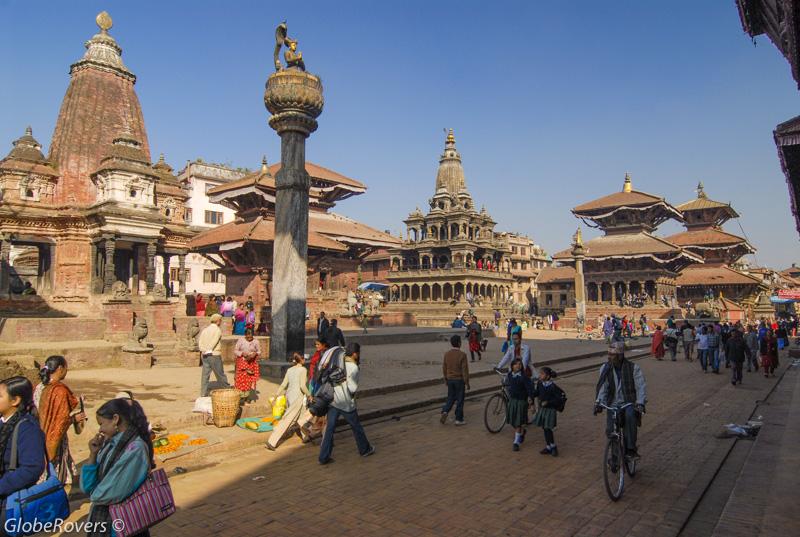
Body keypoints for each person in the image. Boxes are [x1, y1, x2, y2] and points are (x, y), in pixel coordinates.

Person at [82, 398, 154, 537]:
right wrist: (93, 454)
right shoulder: (109, 445)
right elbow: (88, 487)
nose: (100, 429)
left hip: (124, 525)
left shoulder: (135, 449)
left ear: (115, 419)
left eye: (101, 424)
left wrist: (94, 494)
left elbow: (104, 493)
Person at [318, 343, 375, 465]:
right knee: (356, 427)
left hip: (334, 401)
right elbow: (352, 388)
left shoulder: (339, 363)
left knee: (329, 429)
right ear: (355, 354)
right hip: (346, 403)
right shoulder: (353, 367)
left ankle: (323, 456)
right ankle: (365, 449)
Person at [37, 355, 85, 484]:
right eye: (66, 368)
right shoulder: (60, 391)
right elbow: (61, 419)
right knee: (56, 472)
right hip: (55, 439)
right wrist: (73, 419)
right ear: (60, 368)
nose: (67, 371)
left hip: (39, 435)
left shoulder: (39, 387)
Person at [594, 342, 647, 458]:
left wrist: (640, 402)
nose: (610, 357)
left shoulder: (633, 368)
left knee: (629, 417)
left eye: (613, 355)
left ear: (620, 355)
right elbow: (603, 387)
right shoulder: (605, 368)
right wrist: (599, 402)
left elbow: (640, 387)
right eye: (609, 354)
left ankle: (630, 448)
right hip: (612, 403)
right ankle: (614, 455)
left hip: (628, 402)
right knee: (610, 430)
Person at [0, 376, 46, 507]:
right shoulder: (3, 421)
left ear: (15, 400)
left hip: (9, 502)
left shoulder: (27, 429)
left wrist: (2, 486)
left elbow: (32, 468)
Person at [266, 353, 310, 450]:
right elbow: (302, 386)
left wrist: (276, 394)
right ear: (301, 360)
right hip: (298, 396)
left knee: (302, 416)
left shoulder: (290, 370)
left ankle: (306, 436)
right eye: (304, 359)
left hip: (290, 395)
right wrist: (309, 394)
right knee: (288, 419)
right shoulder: (303, 370)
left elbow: (283, 384)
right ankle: (272, 441)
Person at [532, 366, 565, 456]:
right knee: (544, 427)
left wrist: (548, 402)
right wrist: (531, 394)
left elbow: (559, 398)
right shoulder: (540, 383)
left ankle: (553, 447)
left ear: (548, 376)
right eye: (540, 374)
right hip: (543, 410)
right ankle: (548, 446)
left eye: (542, 374)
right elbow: (537, 392)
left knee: (548, 428)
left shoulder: (553, 387)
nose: (540, 375)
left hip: (550, 410)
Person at [505, 358, 535, 451]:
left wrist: (531, 402)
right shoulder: (510, 375)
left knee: (518, 422)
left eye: (519, 364)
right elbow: (508, 384)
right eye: (516, 364)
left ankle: (516, 442)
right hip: (513, 401)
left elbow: (530, 390)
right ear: (512, 366)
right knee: (513, 421)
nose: (518, 366)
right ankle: (522, 432)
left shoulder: (524, 377)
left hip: (522, 401)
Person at [198, 314, 230, 397]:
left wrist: (203, 350)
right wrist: (208, 350)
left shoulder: (205, 330)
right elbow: (214, 342)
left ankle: (203, 393)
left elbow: (200, 341)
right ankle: (227, 390)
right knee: (220, 374)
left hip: (204, 355)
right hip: (214, 354)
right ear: (218, 321)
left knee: (205, 375)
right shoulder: (217, 330)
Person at [440, 335, 469, 426]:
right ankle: (459, 419)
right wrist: (467, 382)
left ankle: (445, 410)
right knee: (460, 399)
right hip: (459, 380)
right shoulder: (462, 355)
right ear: (459, 343)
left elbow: (444, 368)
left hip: (450, 379)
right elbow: (465, 370)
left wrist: (445, 379)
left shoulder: (447, 354)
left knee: (450, 397)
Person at [234, 328, 260, 401]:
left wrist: (255, 354)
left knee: (248, 379)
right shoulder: (240, 341)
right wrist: (242, 353)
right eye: (247, 337)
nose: (249, 339)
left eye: (251, 337)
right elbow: (235, 351)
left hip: (251, 363)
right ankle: (241, 396)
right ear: (245, 335)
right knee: (241, 379)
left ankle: (247, 397)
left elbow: (259, 351)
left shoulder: (256, 342)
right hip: (242, 362)